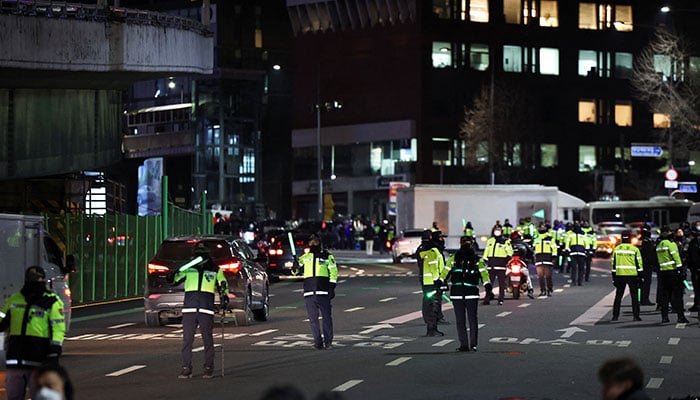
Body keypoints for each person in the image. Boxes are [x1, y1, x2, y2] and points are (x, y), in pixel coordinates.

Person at [0, 266, 65, 400]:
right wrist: (55, 350)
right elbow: (2, 322)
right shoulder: (15, 299)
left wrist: (55, 349)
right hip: (18, 359)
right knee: (14, 396)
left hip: (35, 359)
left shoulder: (51, 301)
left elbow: (58, 328)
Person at [167, 242, 229, 378]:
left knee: (207, 339)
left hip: (206, 308)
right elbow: (174, 280)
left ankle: (208, 367)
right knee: (187, 340)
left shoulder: (214, 270)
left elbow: (223, 284)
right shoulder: (189, 269)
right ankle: (186, 367)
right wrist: (172, 275)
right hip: (190, 308)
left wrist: (224, 296)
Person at [444, 236, 493, 352]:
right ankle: (473, 344)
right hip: (471, 293)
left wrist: (441, 282)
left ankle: (464, 345)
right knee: (472, 320)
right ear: (472, 244)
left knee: (460, 320)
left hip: (456, 293)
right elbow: (484, 275)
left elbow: (445, 272)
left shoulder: (454, 258)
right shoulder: (477, 259)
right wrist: (488, 287)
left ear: (460, 244)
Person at [299, 234, 338, 349]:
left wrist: (331, 287)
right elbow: (296, 270)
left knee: (324, 317)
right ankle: (318, 342)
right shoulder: (305, 257)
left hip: (322, 292)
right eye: (312, 242)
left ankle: (327, 341)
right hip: (310, 292)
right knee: (314, 319)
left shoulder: (327, 256)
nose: (313, 244)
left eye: (314, 242)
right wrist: (295, 267)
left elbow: (333, 272)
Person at [655, 226, 690, 324]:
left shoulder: (659, 245)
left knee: (665, 296)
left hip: (663, 272)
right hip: (673, 272)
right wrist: (680, 270)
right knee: (678, 295)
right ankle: (680, 317)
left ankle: (664, 317)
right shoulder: (671, 244)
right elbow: (676, 257)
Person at [417, 230, 447, 336]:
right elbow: (433, 267)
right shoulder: (433, 251)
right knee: (432, 304)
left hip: (431, 281)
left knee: (432, 303)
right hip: (432, 282)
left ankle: (433, 326)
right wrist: (439, 280)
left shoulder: (432, 250)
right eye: (441, 238)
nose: (443, 240)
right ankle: (431, 329)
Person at [610, 230, 643, 322]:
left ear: (621, 238)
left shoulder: (617, 249)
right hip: (632, 276)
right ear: (630, 238)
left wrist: (614, 277)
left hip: (620, 275)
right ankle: (636, 316)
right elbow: (639, 265)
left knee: (618, 296)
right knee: (634, 297)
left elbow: (613, 264)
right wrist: (641, 276)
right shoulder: (635, 249)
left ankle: (615, 316)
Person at [482, 226, 513, 305]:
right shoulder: (490, 240)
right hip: (491, 264)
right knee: (489, 283)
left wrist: (505, 260)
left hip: (501, 265)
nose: (497, 231)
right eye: (496, 230)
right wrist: (484, 259)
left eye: (498, 230)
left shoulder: (505, 241)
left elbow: (510, 252)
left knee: (501, 283)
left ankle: (501, 299)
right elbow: (486, 251)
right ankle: (487, 298)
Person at [534, 224, 557, 297]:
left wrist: (554, 257)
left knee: (548, 276)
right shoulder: (536, 238)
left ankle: (549, 290)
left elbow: (554, 248)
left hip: (547, 258)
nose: (542, 228)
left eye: (543, 227)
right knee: (540, 276)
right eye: (541, 227)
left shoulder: (550, 238)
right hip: (539, 258)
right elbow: (534, 248)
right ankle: (543, 290)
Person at [637, 224, 657, 306]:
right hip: (646, 264)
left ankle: (641, 299)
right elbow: (650, 254)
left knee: (641, 283)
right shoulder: (647, 241)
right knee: (646, 283)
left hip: (641, 264)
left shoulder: (639, 240)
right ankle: (644, 299)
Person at [686, 222, 700, 312]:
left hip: (696, 268)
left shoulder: (694, 243)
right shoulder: (695, 242)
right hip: (695, 268)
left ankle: (697, 304)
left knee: (697, 287)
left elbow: (694, 257)